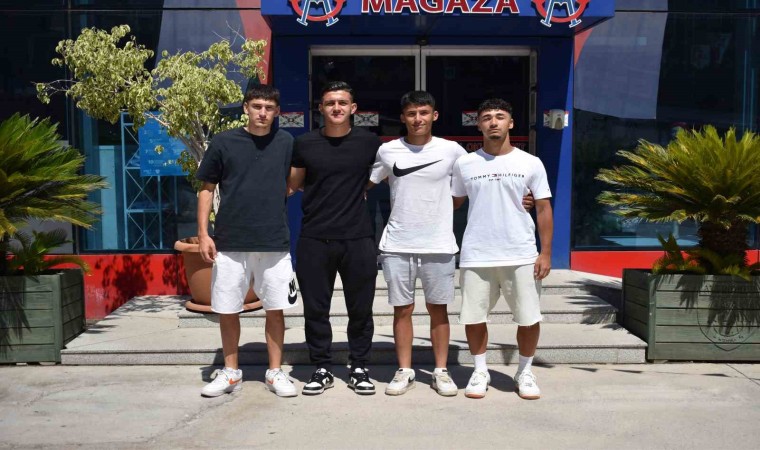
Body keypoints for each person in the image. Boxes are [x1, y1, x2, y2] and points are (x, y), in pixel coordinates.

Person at [196, 85, 299, 398]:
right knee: (228, 309)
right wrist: (203, 234)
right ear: (245, 108)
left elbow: (293, 182)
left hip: (274, 240)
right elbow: (206, 189)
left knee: (276, 308)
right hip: (230, 241)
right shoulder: (224, 142)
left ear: (277, 112)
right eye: (256, 106)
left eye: (268, 108)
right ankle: (231, 372)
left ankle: (275, 372)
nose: (262, 113)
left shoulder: (286, 141)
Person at [452, 98, 553, 400]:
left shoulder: (530, 162)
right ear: (479, 125)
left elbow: (544, 208)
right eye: (486, 117)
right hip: (476, 254)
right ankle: (480, 371)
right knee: (474, 317)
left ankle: (524, 371)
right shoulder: (465, 163)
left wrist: (545, 253)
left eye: (499, 116)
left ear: (511, 123)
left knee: (528, 317)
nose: (493, 122)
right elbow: (453, 201)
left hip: (521, 253)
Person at [367, 91, 464, 396]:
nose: (417, 119)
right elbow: (364, 183)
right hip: (397, 244)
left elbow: (463, 193)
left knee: (438, 310)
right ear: (403, 118)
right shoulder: (388, 151)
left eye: (423, 113)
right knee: (402, 310)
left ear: (434, 115)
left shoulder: (452, 150)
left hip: (439, 245)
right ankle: (405, 370)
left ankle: (441, 371)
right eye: (411, 114)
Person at [288, 81, 381, 396]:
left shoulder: (369, 143)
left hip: (358, 238)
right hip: (315, 238)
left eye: (342, 103)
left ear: (353, 108)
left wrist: (357, 191)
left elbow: (381, 175)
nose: (336, 108)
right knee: (316, 310)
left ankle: (359, 367)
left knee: (361, 309)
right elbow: (294, 184)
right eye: (330, 103)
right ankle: (321, 367)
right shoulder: (304, 144)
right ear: (321, 108)